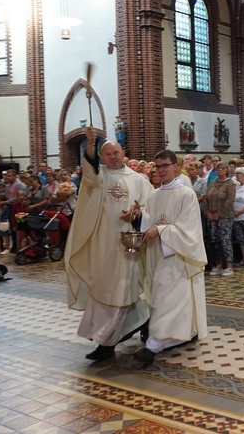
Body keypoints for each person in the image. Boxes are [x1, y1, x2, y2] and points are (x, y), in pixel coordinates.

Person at [65, 126, 154, 362]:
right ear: (102, 158)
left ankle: (107, 343)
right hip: (103, 244)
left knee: (125, 289)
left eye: (117, 152)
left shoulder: (139, 180)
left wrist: (138, 213)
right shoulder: (98, 177)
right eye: (108, 154)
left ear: (124, 153)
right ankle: (142, 321)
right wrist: (91, 143)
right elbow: (89, 170)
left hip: (128, 246)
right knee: (104, 289)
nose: (113, 157)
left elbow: (151, 207)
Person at [133, 150, 207, 367]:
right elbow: (151, 220)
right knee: (162, 298)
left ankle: (153, 346)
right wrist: (140, 216)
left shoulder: (186, 194)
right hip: (158, 254)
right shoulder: (154, 195)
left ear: (176, 167)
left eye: (165, 165)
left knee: (170, 299)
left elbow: (189, 229)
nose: (160, 170)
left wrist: (161, 230)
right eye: (157, 166)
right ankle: (184, 333)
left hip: (177, 256)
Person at [205, 162, 237, 277]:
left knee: (225, 240)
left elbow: (229, 201)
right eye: (218, 168)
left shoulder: (230, 184)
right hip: (212, 216)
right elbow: (206, 197)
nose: (220, 170)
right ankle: (217, 265)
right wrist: (208, 212)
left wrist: (219, 213)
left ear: (227, 170)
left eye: (223, 168)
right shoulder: (213, 183)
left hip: (225, 216)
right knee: (215, 241)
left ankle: (229, 266)